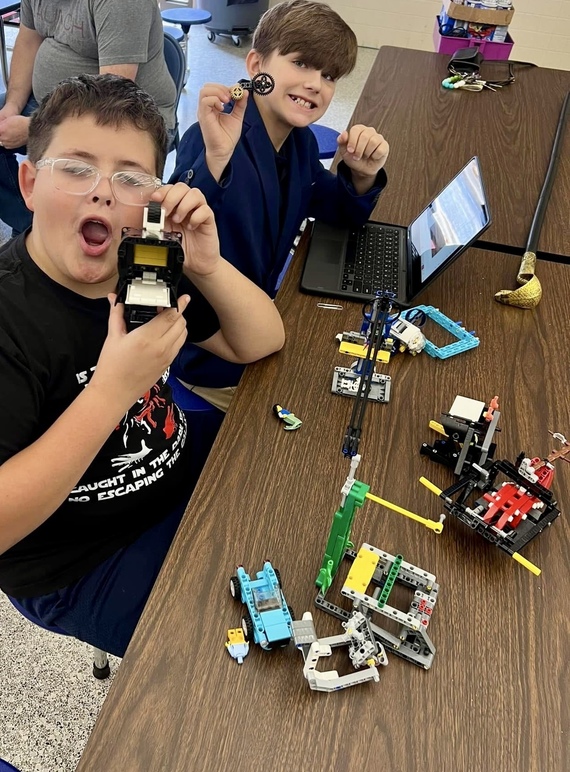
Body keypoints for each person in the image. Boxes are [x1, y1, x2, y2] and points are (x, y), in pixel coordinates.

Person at [0, 73, 285, 658]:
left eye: (130, 178)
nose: (103, 192)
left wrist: (206, 264)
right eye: (75, 168)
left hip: (169, 463)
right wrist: (110, 393)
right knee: (234, 658)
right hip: (81, 559)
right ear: (28, 183)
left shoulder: (143, 269)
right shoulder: (10, 319)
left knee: (294, 478)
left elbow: (260, 340)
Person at [169, 0, 389, 411]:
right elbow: (172, 228)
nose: (316, 84)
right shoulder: (212, 138)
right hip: (214, 353)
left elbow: (337, 210)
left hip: (261, 320)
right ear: (255, 65)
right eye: (302, 64)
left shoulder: (299, 141)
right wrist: (215, 161)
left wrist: (361, 174)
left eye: (328, 76)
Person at [0, 0, 177, 236]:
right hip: (52, 104)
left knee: (89, 178)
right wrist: (11, 107)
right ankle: (36, 225)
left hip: (126, 116)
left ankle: (49, 231)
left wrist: (34, 128)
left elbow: (111, 99)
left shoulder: (122, 4)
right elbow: (28, 41)